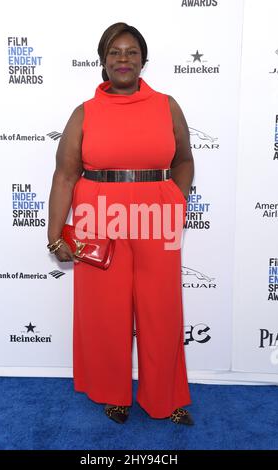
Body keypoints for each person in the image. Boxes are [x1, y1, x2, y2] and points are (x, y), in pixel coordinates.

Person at [47, 22, 194, 425]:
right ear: (103, 62)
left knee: (161, 311)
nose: (123, 59)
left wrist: (175, 202)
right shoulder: (85, 113)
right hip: (98, 219)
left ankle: (165, 395)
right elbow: (64, 175)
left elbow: (183, 160)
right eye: (115, 53)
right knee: (105, 313)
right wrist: (54, 234)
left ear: (143, 60)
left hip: (155, 217)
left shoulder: (167, 105)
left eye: (131, 52)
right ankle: (113, 393)